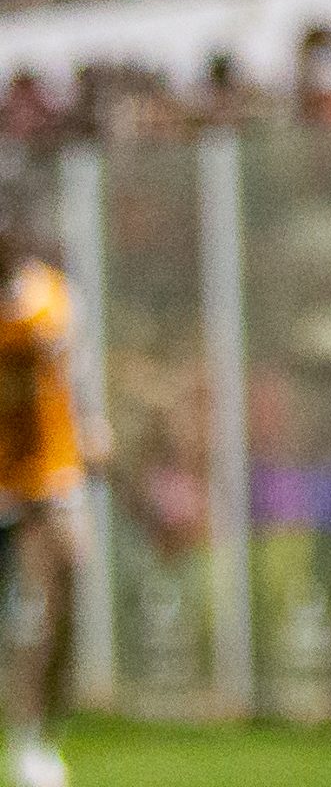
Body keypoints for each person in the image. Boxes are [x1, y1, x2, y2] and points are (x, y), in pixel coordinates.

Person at [0, 202, 99, 787]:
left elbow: (75, 377)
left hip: (47, 472)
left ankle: (35, 735)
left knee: (65, 591)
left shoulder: (53, 298)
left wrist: (91, 426)